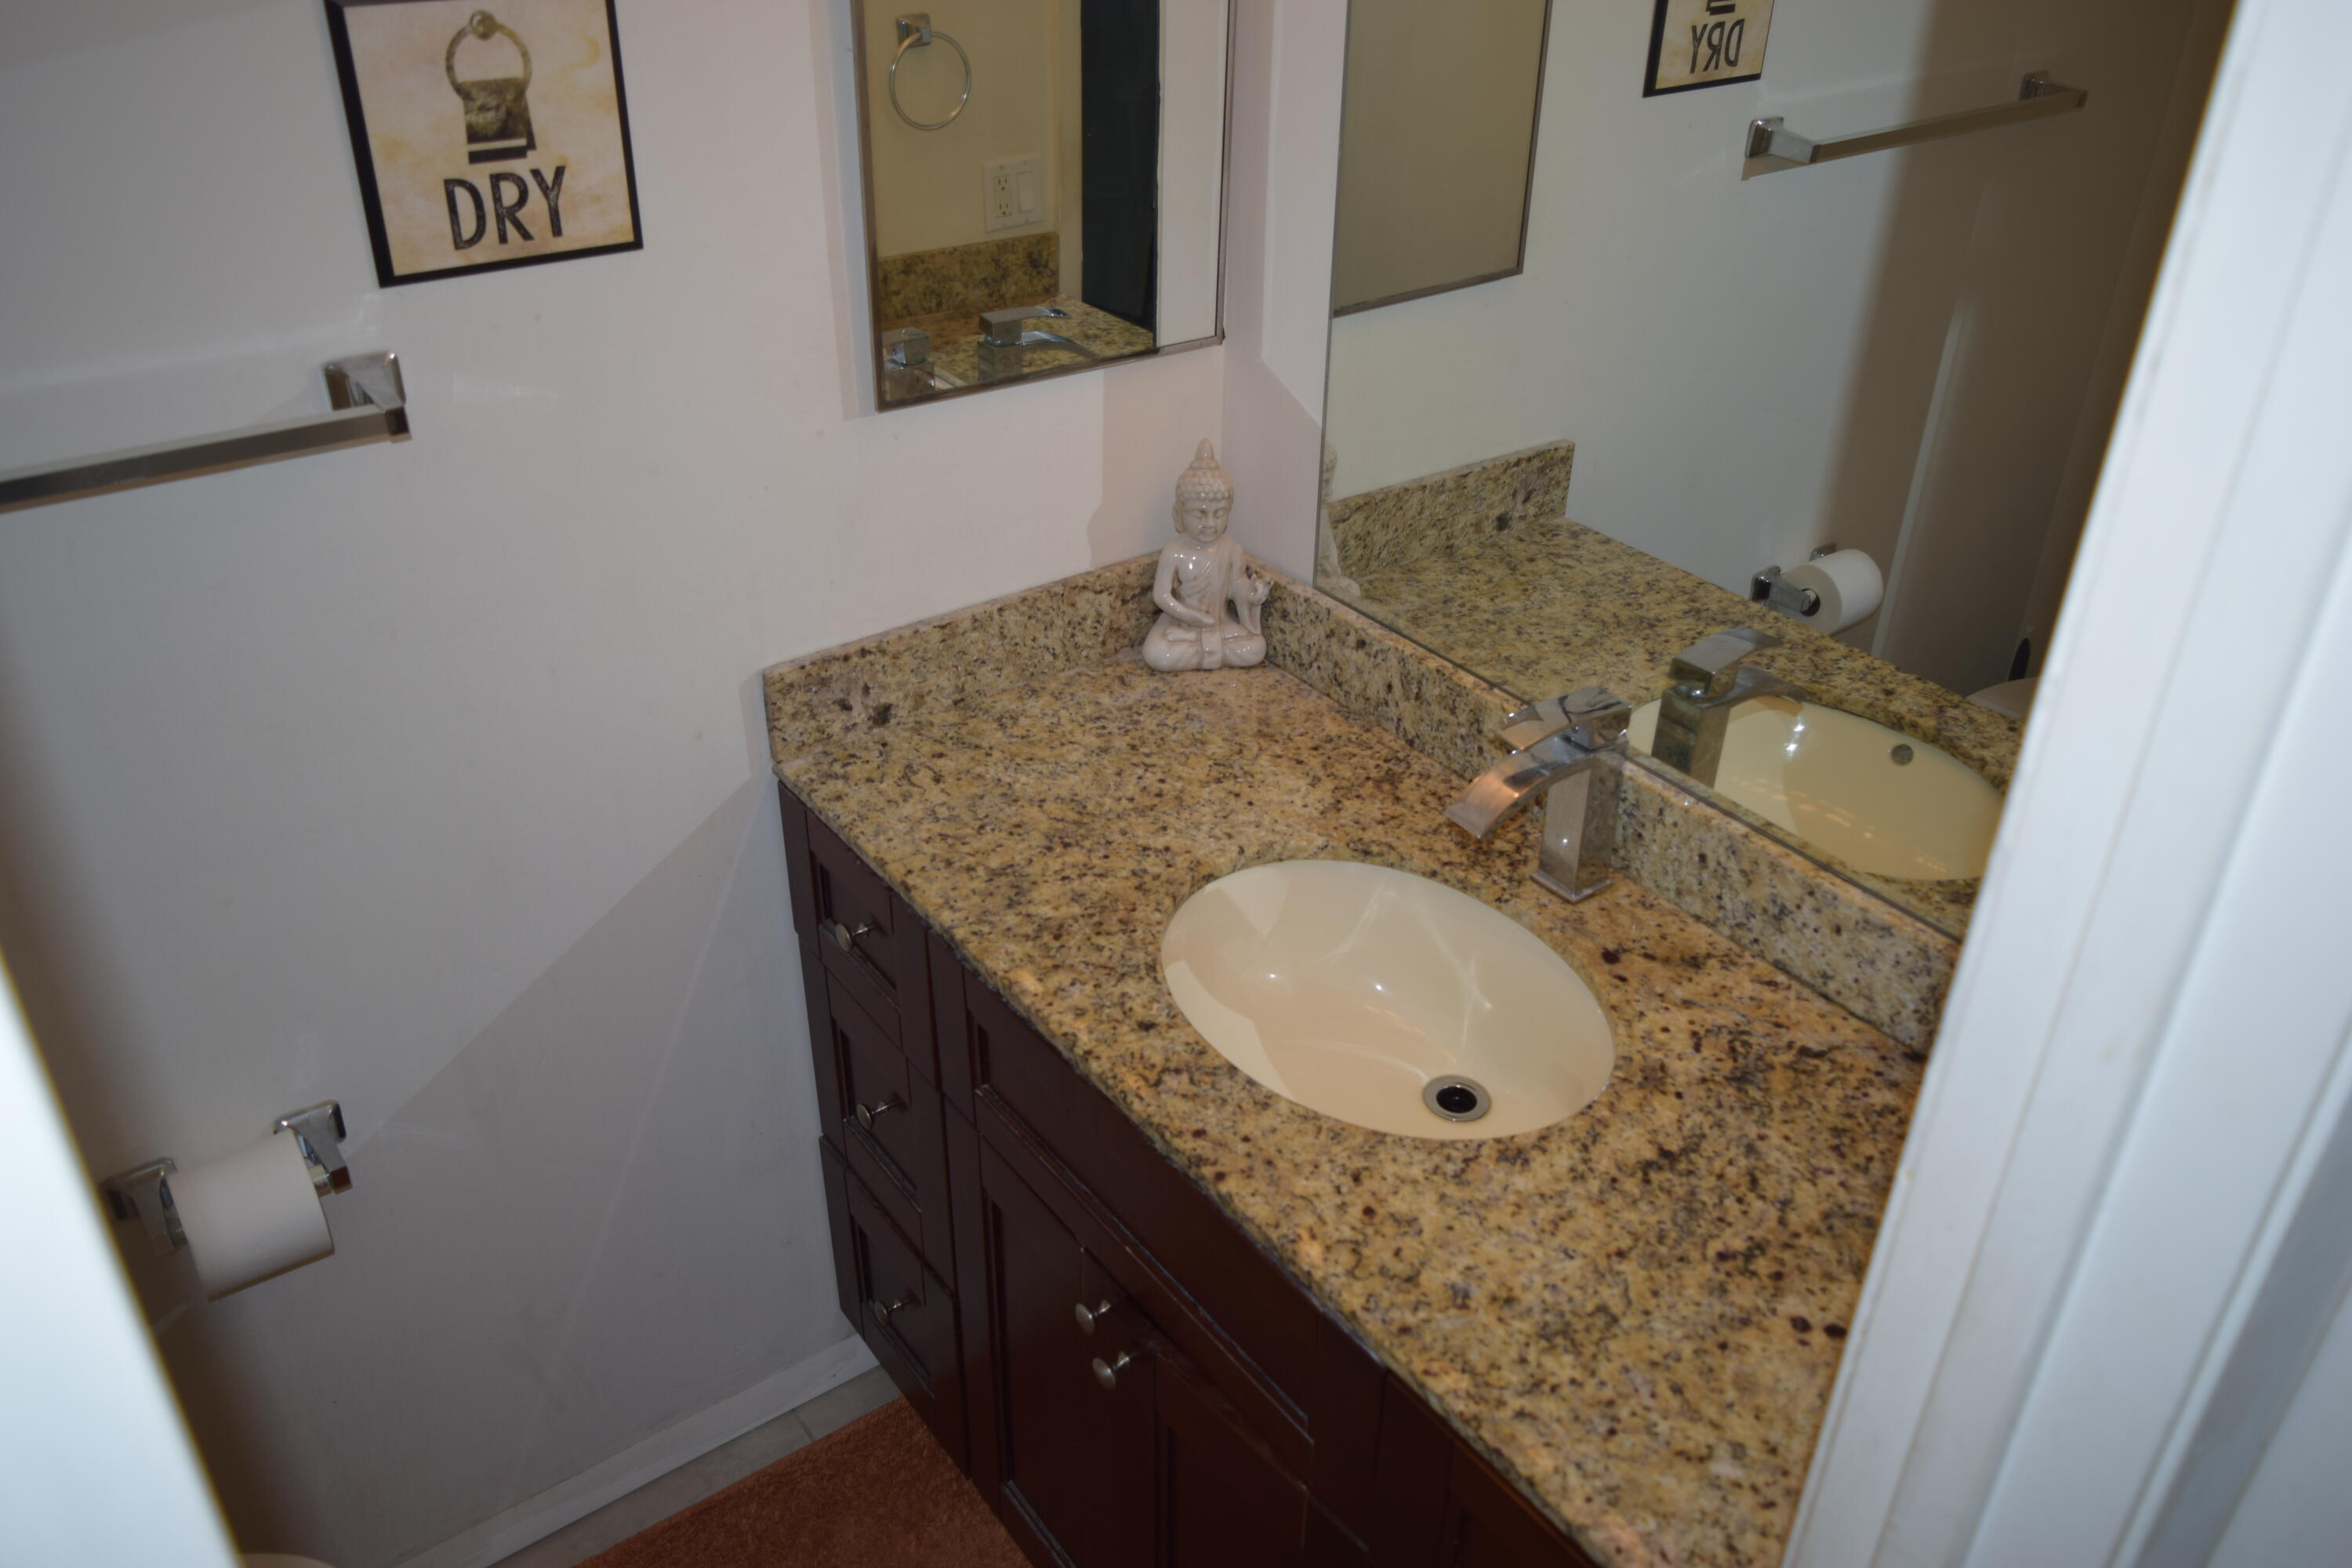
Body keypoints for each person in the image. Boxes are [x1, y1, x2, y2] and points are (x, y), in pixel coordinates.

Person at [1144, 440, 1271, 672]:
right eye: (1200, 514)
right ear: (1178, 515)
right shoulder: (1175, 551)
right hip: (1182, 623)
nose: (1210, 523)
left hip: (1219, 625)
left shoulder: (1232, 548)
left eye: (1219, 514)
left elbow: (1236, 586)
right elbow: (1162, 596)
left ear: (1229, 513)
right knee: (1157, 653)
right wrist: (1194, 619)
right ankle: (1202, 644)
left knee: (1256, 647)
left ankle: (1201, 647)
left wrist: (1251, 594)